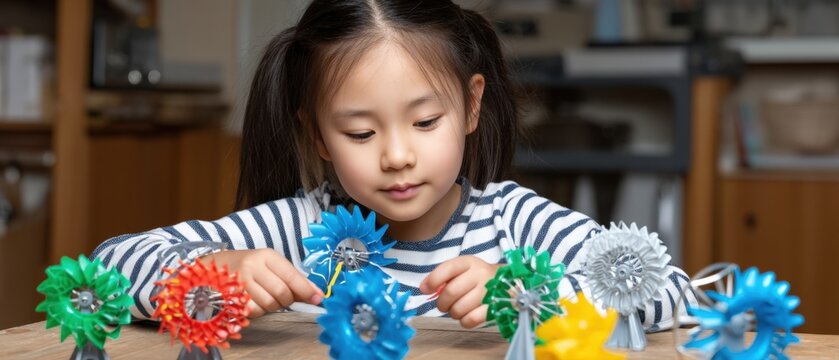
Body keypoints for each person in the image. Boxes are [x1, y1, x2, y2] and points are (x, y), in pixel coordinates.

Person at [92, 0, 694, 330]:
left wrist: (532, 293)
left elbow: (673, 291)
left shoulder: (513, 223)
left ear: (472, 106)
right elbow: (104, 271)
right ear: (317, 134)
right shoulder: (298, 227)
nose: (397, 155)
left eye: (425, 122)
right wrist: (209, 273)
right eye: (360, 132)